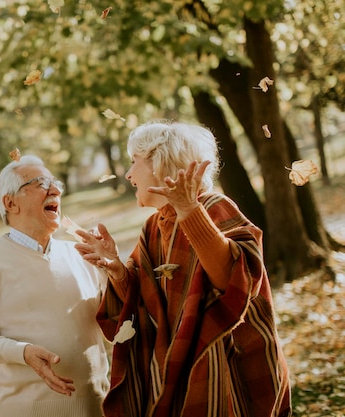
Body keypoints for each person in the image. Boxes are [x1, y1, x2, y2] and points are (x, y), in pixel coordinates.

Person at [75, 121, 292, 417]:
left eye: (133, 162)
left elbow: (234, 282)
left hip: (226, 370)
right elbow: (144, 302)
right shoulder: (154, 225)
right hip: (176, 369)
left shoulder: (215, 207)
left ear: (160, 163)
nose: (127, 174)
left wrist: (190, 212)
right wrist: (116, 268)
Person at [0, 155, 110, 416]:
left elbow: (121, 319)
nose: (56, 190)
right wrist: (22, 352)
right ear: (10, 202)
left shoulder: (82, 254)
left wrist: (113, 268)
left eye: (56, 183)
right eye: (41, 183)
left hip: (97, 406)